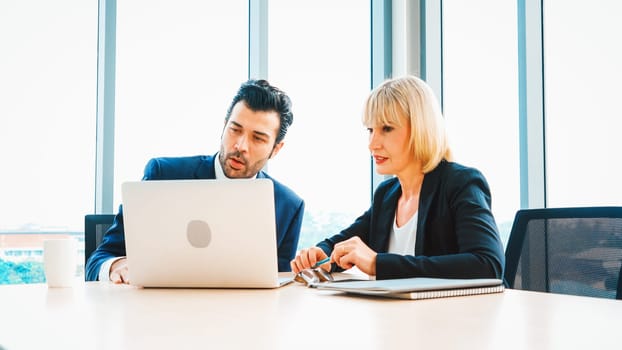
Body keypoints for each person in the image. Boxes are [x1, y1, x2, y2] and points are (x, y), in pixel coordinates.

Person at [86, 79, 305, 283]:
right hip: (161, 315)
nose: (240, 146)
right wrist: (115, 265)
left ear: (276, 149)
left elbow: (278, 286)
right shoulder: (162, 175)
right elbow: (97, 260)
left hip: (242, 319)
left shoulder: (288, 206)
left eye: (258, 138)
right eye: (235, 129)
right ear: (223, 126)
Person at [291, 75, 504, 280]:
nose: (372, 144)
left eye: (387, 129)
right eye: (370, 130)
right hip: (396, 316)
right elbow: (349, 240)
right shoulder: (387, 194)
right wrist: (324, 254)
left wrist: (378, 264)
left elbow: (487, 265)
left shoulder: (460, 183)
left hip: (450, 315)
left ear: (420, 129)